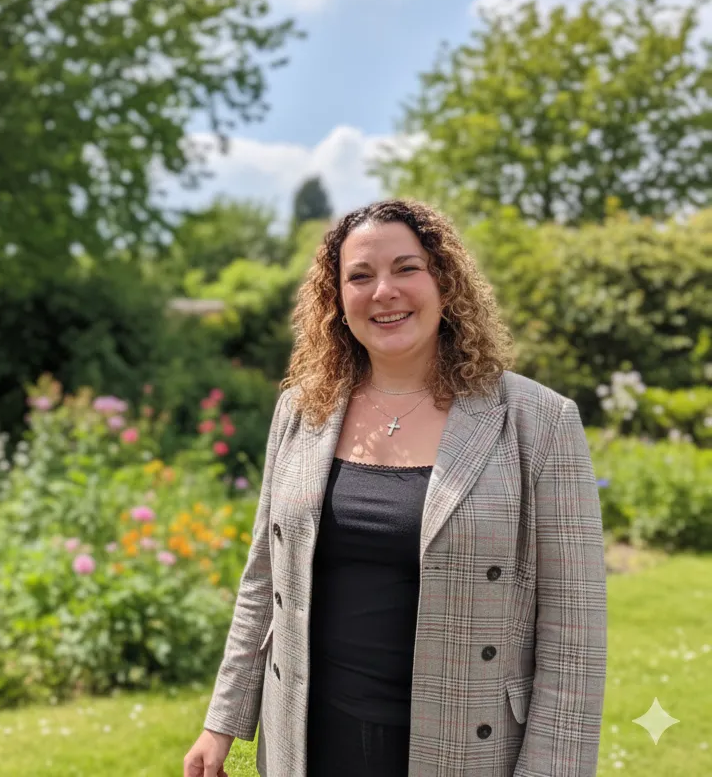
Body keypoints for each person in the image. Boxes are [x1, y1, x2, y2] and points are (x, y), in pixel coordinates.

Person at [183, 198, 607, 777]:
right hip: (308, 740)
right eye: (360, 276)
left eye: (406, 268)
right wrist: (222, 721)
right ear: (336, 301)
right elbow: (264, 576)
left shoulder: (538, 421)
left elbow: (573, 633)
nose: (384, 291)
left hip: (463, 746)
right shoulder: (302, 411)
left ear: (445, 282)